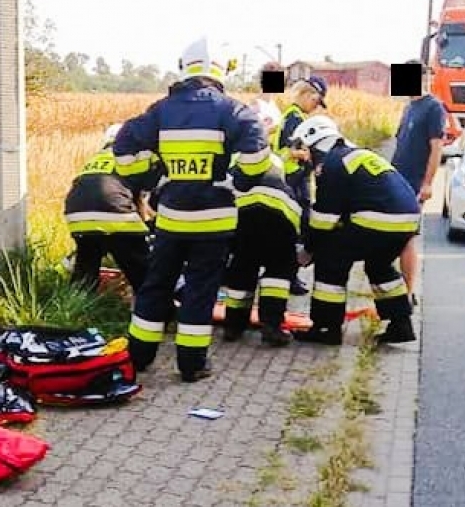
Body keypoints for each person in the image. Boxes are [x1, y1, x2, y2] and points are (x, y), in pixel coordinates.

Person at [114, 39, 271, 383]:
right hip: (214, 222)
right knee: (200, 290)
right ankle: (191, 363)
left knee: (156, 285)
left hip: (171, 219)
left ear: (184, 67)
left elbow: (123, 147)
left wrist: (151, 175)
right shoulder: (232, 110)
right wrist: (239, 181)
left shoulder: (161, 110)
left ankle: (139, 357)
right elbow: (258, 151)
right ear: (220, 70)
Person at [292, 116, 419, 347]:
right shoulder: (357, 155)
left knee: (330, 260)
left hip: (377, 220)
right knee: (379, 266)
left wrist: (309, 249)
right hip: (406, 221)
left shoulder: (330, 164)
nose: (304, 156)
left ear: (314, 142)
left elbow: (324, 218)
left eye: (304, 148)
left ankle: (326, 328)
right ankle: (401, 325)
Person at [223, 99, 302, 347]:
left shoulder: (234, 158)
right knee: (279, 271)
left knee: (242, 268)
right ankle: (272, 327)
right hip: (280, 216)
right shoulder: (275, 160)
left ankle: (233, 327)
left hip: (243, 215)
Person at [63, 123, 150, 294]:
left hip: (77, 216)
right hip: (116, 212)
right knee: (143, 273)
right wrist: (143, 233)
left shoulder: (96, 158)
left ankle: (76, 305)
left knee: (86, 268)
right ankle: (156, 307)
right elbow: (138, 200)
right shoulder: (129, 157)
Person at [390, 61, 447, 306]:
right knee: (395, 235)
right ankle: (395, 289)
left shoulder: (433, 108)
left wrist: (428, 183)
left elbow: (436, 148)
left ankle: (408, 292)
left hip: (414, 183)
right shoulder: (408, 107)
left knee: (406, 237)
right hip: (397, 180)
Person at [274, 75, 328, 294]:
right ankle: (289, 276)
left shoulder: (293, 116)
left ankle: (290, 275)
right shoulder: (295, 118)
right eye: (316, 101)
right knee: (296, 230)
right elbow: (288, 150)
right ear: (307, 94)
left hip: (295, 180)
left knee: (298, 229)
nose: (316, 107)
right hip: (293, 180)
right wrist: (306, 154)